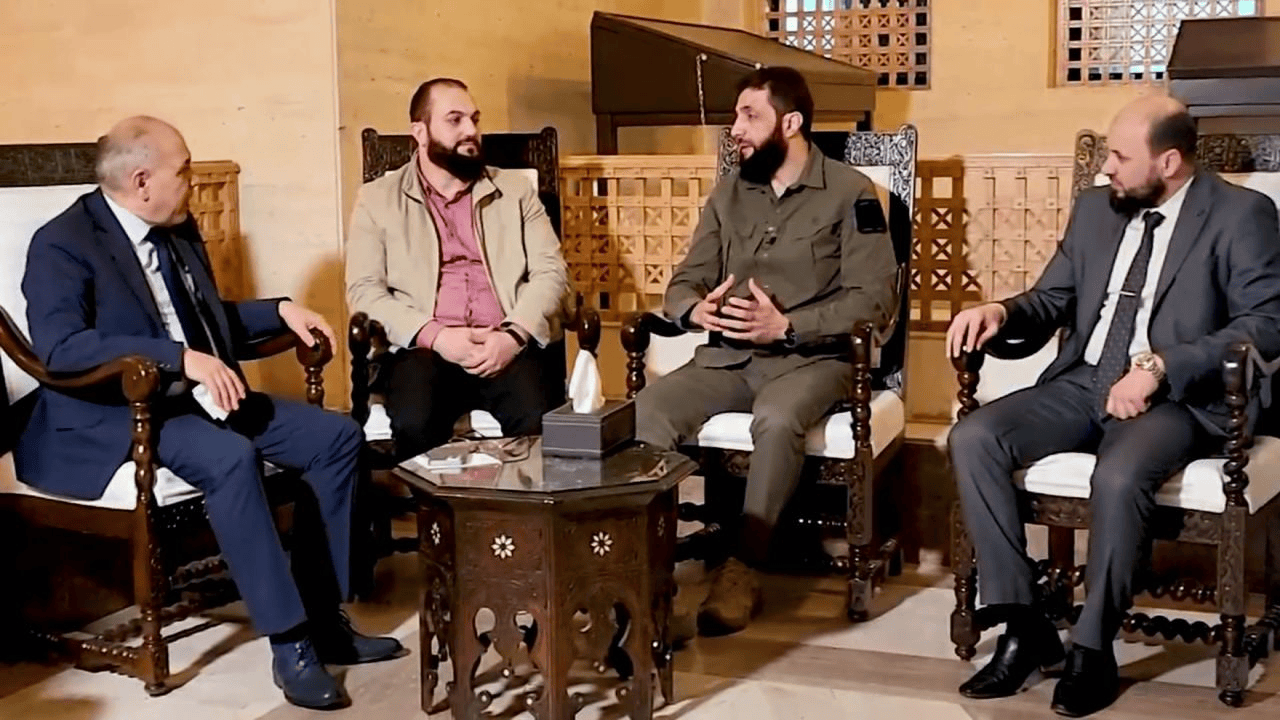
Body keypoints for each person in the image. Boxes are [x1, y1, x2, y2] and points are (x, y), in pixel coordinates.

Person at [18, 116, 402, 710]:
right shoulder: (62, 242)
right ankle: (292, 643)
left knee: (335, 437)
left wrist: (280, 311)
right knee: (230, 456)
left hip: (196, 397)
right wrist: (178, 359)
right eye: (184, 171)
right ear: (142, 181)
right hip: (123, 412)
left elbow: (205, 319)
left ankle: (324, 618)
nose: (193, 182)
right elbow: (61, 348)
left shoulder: (174, 228)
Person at [946, 94, 1280, 717]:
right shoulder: (1097, 208)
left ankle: (1093, 648)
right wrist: (1001, 311)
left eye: (1121, 157)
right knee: (974, 438)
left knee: (1120, 475)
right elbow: (1053, 299)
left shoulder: (1241, 214)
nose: (1106, 168)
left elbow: (1264, 324)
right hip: (1084, 381)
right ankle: (1025, 624)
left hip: (1177, 398)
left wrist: (1160, 366)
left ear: (1169, 162)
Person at [633, 66, 898, 636]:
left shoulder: (851, 192)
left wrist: (788, 326)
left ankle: (743, 567)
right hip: (726, 359)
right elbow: (686, 279)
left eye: (750, 116)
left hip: (812, 360)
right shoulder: (730, 193)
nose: (735, 129)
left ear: (791, 123)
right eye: (736, 116)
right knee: (646, 412)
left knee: (776, 419)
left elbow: (874, 302)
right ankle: (645, 571)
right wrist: (693, 310)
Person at [345, 78, 571, 459]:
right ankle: (433, 501)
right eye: (455, 120)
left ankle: (515, 501)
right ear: (420, 132)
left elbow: (552, 272)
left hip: (506, 342)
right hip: (423, 348)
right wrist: (437, 336)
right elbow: (364, 292)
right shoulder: (377, 200)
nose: (471, 131)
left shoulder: (515, 191)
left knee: (539, 419)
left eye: (474, 119)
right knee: (415, 421)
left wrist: (513, 335)